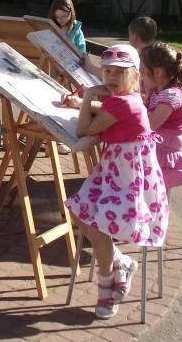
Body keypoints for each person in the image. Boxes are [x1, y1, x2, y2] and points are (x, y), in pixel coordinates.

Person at [66, 43, 168, 319]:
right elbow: (104, 116)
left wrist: (87, 96)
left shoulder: (124, 103)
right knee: (79, 212)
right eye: (107, 71)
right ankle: (121, 262)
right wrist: (92, 102)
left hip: (127, 179)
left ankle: (106, 285)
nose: (110, 77)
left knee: (97, 226)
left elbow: (83, 128)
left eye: (119, 72)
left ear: (135, 75)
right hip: (115, 172)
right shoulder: (124, 100)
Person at [140, 42, 182, 189]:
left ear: (158, 73)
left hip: (166, 155)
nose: (140, 77)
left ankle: (150, 209)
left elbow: (149, 124)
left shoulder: (171, 96)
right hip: (155, 148)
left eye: (143, 72)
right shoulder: (156, 91)